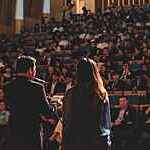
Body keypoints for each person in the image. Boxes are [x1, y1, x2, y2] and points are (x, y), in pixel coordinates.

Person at [4, 56, 56, 150]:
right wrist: (52, 106)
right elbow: (46, 112)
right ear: (30, 70)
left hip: (14, 131)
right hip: (32, 133)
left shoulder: (7, 87)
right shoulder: (37, 87)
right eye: (35, 69)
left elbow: (8, 107)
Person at [62, 58, 111, 150]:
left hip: (75, 141)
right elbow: (105, 122)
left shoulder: (70, 93)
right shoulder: (101, 93)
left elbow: (67, 120)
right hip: (97, 141)